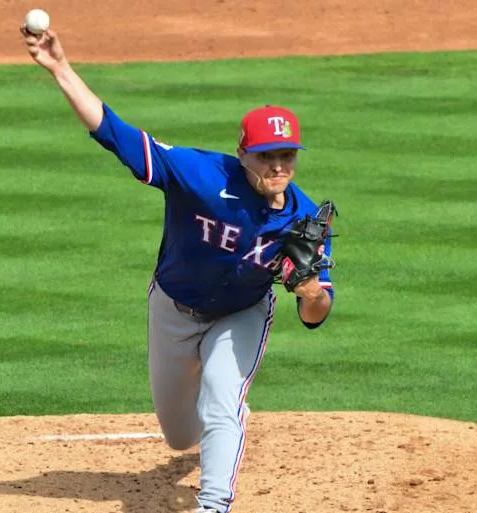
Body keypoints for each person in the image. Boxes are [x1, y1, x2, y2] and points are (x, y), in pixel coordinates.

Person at [20, 26, 335, 513]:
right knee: (178, 434)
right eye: (266, 155)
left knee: (220, 401)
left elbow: (315, 316)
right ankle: (216, 421)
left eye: (287, 155)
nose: (278, 166)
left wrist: (310, 289)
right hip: (172, 308)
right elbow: (115, 133)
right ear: (242, 153)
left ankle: (213, 504)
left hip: (242, 313)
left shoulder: (305, 219)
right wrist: (61, 68)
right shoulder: (200, 175)